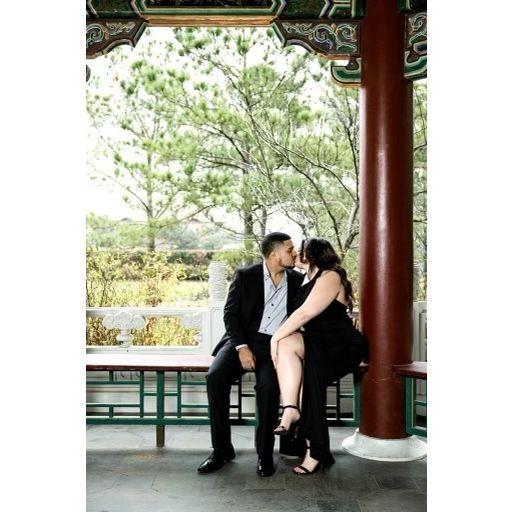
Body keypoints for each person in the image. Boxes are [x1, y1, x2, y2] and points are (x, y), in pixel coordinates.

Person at [197, 232, 304, 477]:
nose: (294, 253)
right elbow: (230, 314)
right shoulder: (246, 276)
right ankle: (222, 450)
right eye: (290, 250)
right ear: (274, 253)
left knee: (268, 388)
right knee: (215, 377)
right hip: (242, 340)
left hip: (275, 345)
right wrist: (242, 347)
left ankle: (264, 455)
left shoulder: (298, 280)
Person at [270, 237, 367, 475]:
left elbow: (305, 314)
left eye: (298, 251)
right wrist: (279, 338)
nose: (294, 254)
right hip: (317, 341)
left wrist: (274, 337)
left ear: (311, 254)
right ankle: (290, 408)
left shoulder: (331, 275)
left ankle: (315, 453)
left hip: (340, 344)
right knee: (287, 345)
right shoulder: (307, 277)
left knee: (309, 380)